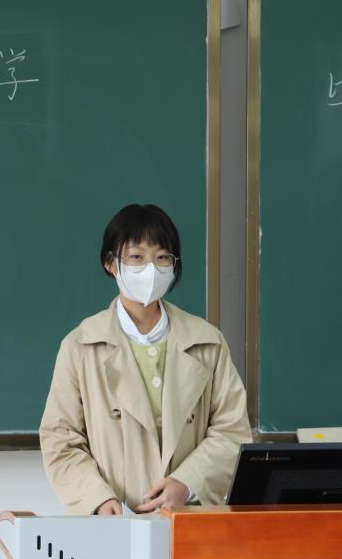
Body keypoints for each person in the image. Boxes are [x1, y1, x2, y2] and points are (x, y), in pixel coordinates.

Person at [40, 204, 252, 515]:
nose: (151, 268)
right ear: (110, 263)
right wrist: (97, 499)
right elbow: (60, 439)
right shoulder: (81, 346)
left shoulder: (207, 341)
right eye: (136, 257)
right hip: (116, 521)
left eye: (162, 257)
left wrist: (187, 482)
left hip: (190, 518)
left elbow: (232, 431)